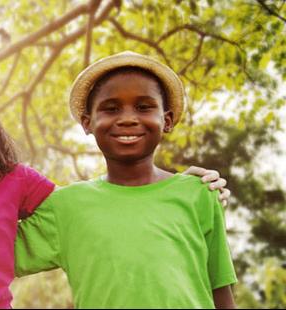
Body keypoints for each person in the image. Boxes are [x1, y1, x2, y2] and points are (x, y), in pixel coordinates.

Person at [14, 51, 236, 308]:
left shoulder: (200, 194)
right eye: (111, 108)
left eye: (143, 107)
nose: (128, 118)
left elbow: (221, 292)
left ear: (167, 120)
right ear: (88, 123)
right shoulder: (65, 206)